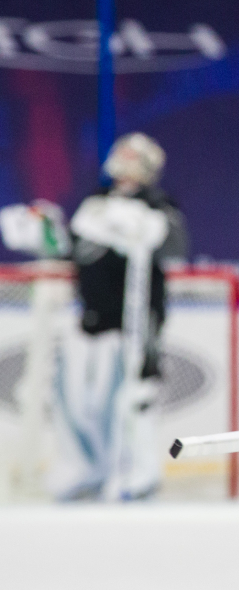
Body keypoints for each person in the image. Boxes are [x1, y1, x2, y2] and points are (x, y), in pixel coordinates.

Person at [0, 133, 188, 501]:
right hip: (91, 318)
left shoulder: (158, 203)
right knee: (79, 398)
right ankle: (85, 468)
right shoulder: (94, 202)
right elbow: (74, 249)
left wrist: (141, 225)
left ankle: (137, 471)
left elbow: (173, 244)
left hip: (136, 322)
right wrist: (45, 230)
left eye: (131, 153)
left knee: (133, 398)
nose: (121, 157)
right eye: (120, 151)